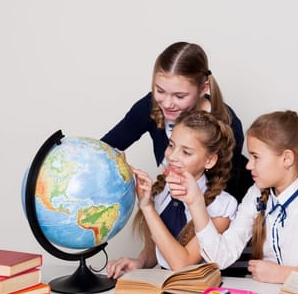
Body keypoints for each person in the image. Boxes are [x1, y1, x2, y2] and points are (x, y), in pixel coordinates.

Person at [166, 110, 298, 283]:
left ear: (287, 158)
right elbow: (221, 257)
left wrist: (286, 274)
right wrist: (196, 203)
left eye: (256, 157)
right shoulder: (256, 194)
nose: (248, 165)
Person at [101, 41, 252, 203]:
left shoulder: (228, 123)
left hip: (216, 213)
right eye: (160, 91)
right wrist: (110, 159)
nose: (167, 103)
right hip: (176, 204)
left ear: (203, 89)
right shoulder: (149, 106)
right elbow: (105, 146)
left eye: (179, 96)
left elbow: (224, 201)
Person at [107, 110, 238, 278]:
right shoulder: (160, 193)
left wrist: (148, 209)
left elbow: (181, 265)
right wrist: (140, 263)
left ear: (210, 160)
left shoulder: (222, 207)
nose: (172, 156)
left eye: (186, 152)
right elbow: (157, 251)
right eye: (171, 145)